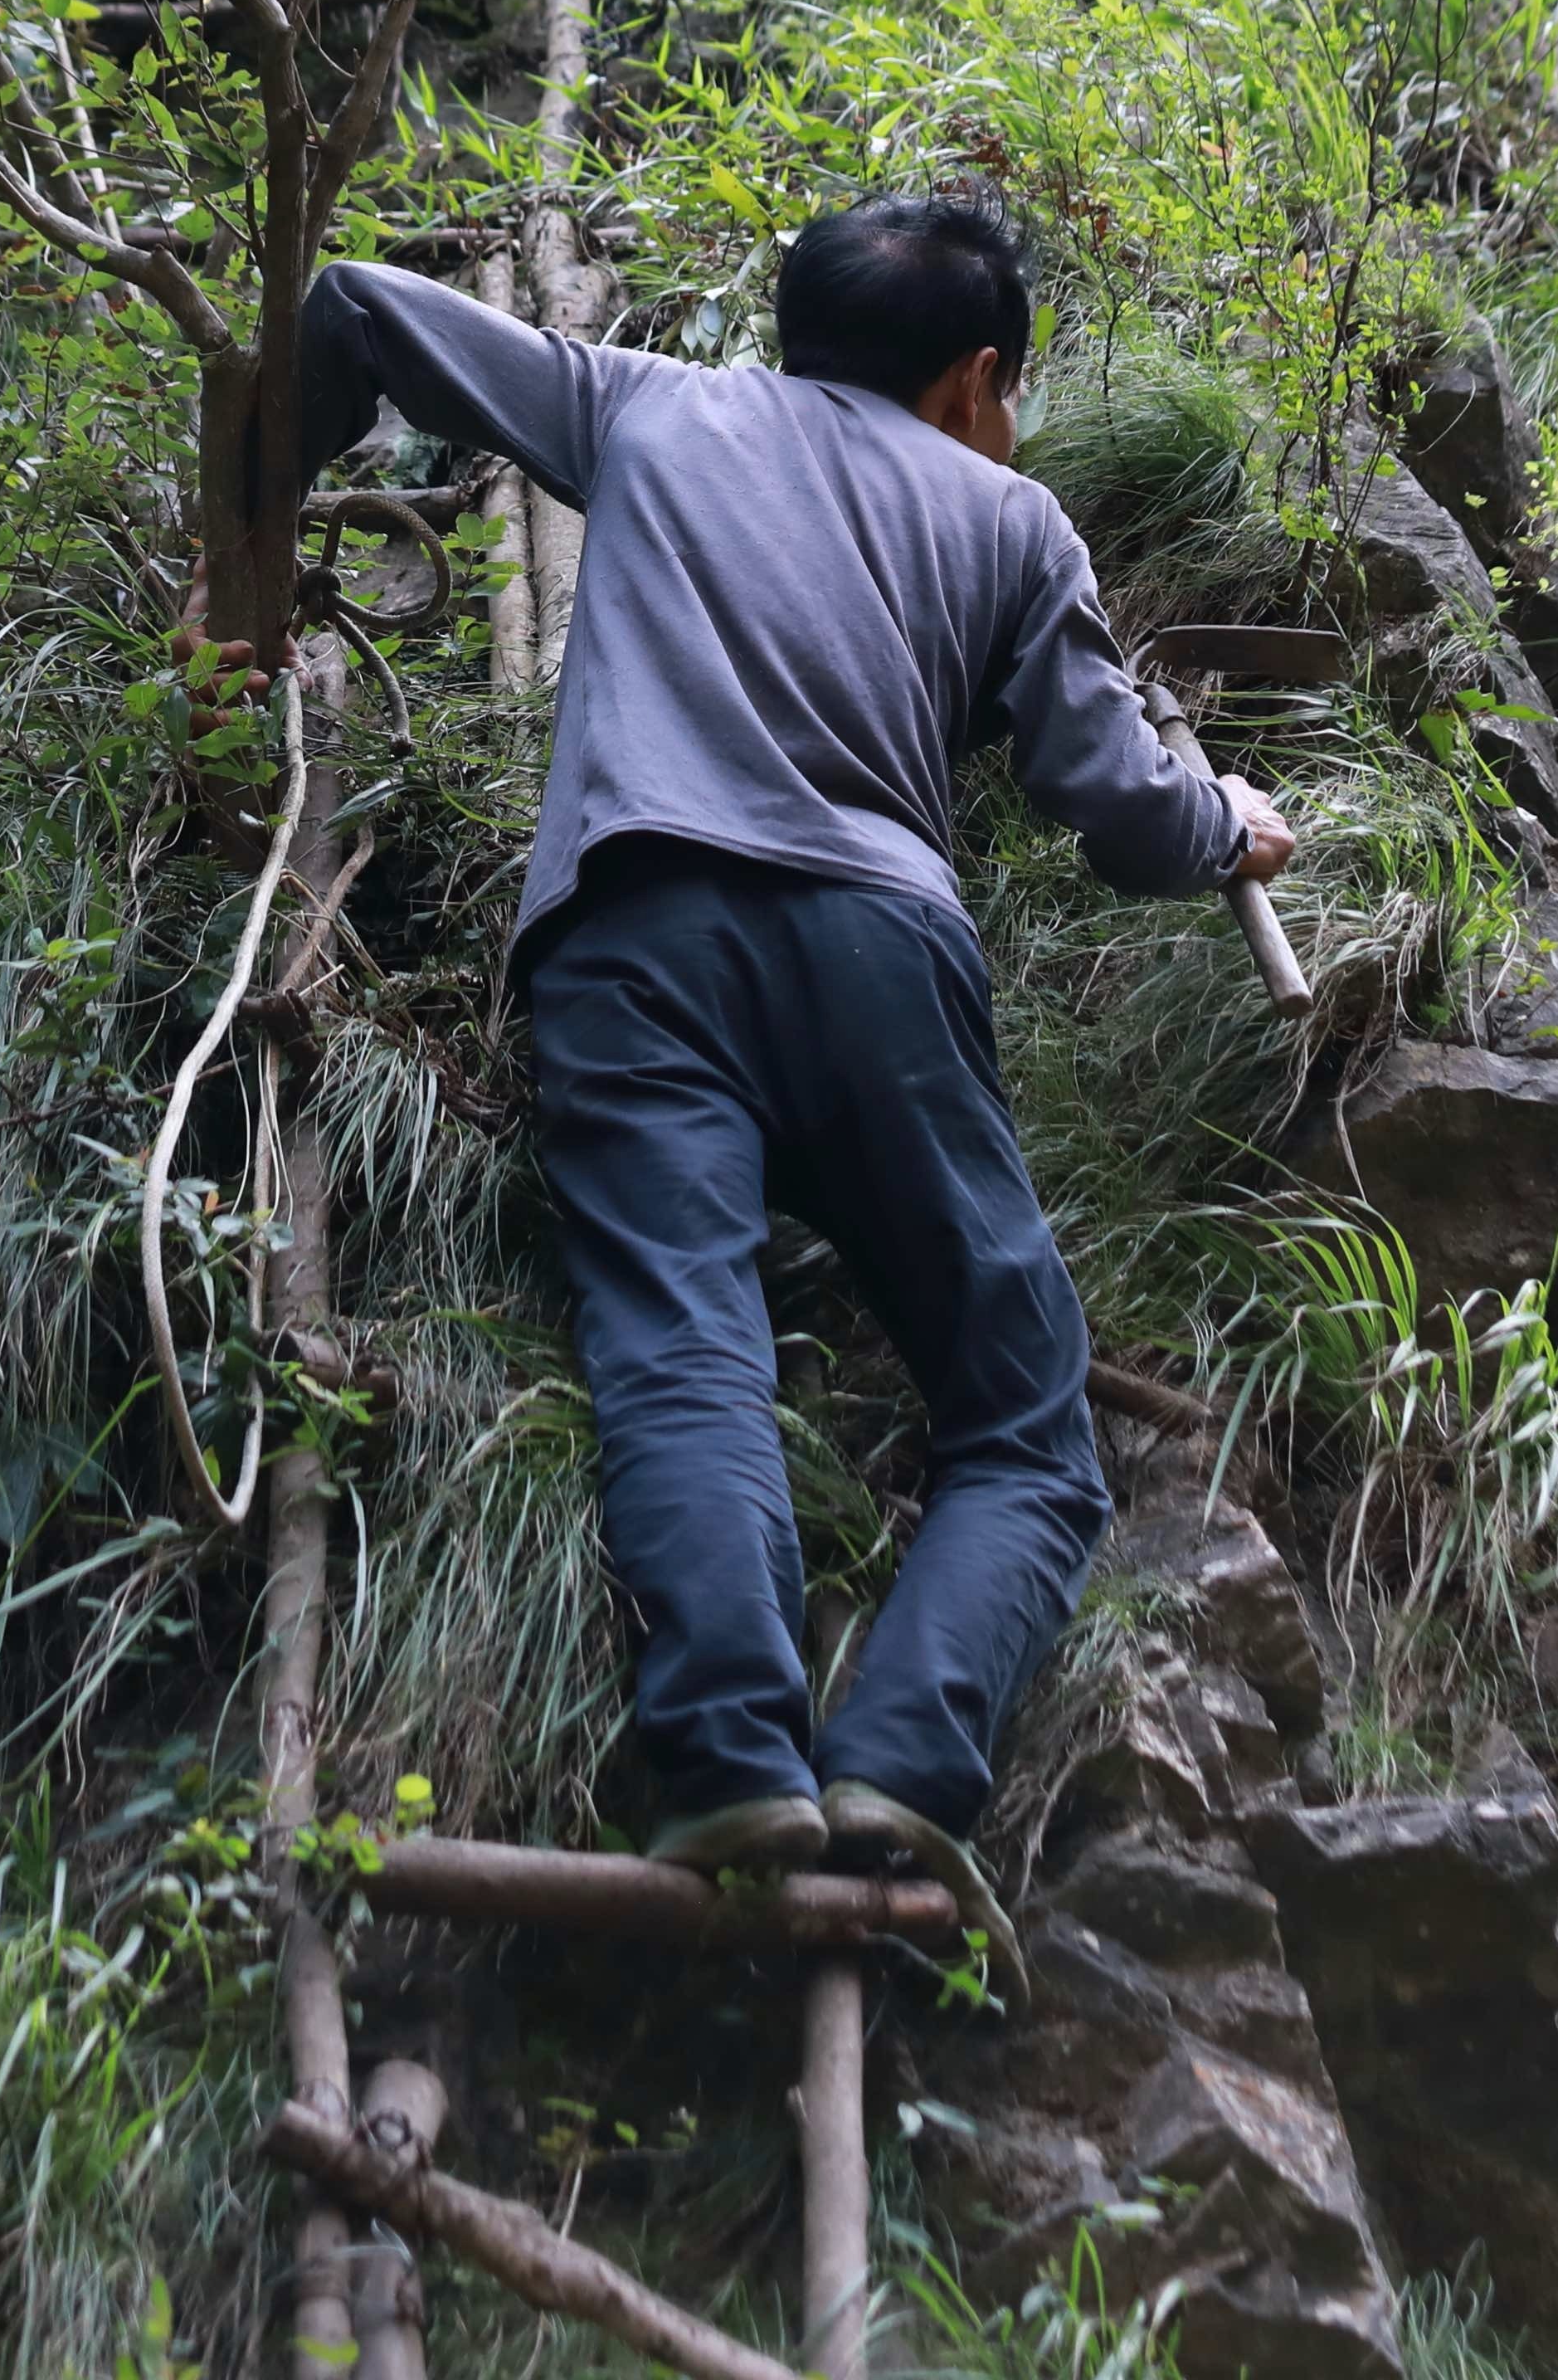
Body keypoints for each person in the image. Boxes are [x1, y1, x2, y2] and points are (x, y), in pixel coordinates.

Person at [294, 194, 1298, 1904]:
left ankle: (732, 1762)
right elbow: (1120, 812)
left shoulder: (655, 404)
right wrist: (1229, 822)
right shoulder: (1011, 513)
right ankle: (906, 1765)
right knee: (1026, 1420)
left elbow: (353, 308)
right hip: (875, 952)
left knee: (685, 1338)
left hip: (635, 929)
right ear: (978, 374)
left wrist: (246, 525)